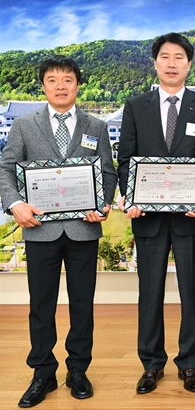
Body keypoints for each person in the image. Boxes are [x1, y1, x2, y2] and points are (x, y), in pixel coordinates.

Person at [0, 56, 116, 408]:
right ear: (44, 86)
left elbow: (107, 173)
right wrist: (15, 205)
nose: (61, 85)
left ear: (78, 85)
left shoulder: (95, 126)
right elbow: (5, 169)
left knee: (82, 305)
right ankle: (43, 374)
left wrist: (103, 202)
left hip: (84, 229)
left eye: (68, 79)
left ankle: (78, 370)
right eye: (53, 80)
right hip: (39, 230)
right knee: (41, 306)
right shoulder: (23, 125)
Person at [116, 33, 195, 394]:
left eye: (179, 57)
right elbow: (126, 159)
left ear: (189, 64)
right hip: (148, 217)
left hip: (191, 219)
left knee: (193, 292)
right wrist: (130, 195)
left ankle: (189, 364)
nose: (172, 63)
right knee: (150, 293)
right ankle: (151, 365)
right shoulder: (135, 106)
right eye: (165, 56)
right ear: (155, 62)